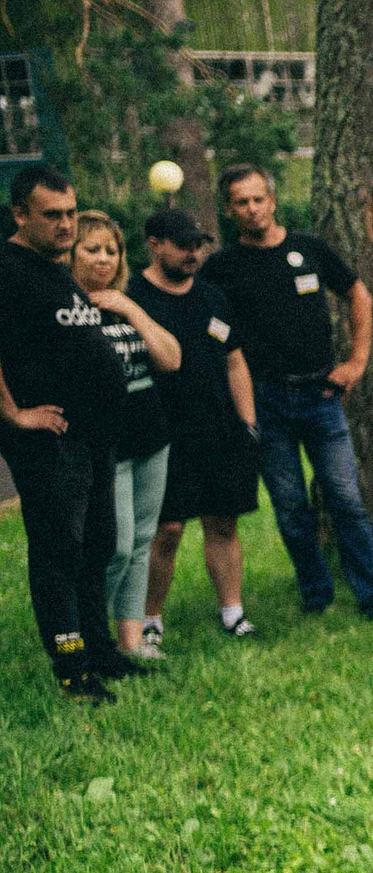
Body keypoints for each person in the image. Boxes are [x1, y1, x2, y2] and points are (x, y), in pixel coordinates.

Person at [201, 163, 373, 619]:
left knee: (346, 500)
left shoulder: (308, 248)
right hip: (266, 402)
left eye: (258, 199)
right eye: (241, 202)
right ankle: (316, 593)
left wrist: (357, 361)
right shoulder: (222, 266)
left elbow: (358, 295)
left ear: (272, 199)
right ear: (229, 210)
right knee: (290, 507)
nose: (251, 209)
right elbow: (202, 319)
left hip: (322, 396)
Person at [0, 165, 129, 700]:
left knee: (99, 543)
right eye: (52, 215)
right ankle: (72, 669)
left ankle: (101, 651)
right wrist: (13, 413)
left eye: (71, 212)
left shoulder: (54, 269)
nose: (66, 224)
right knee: (59, 548)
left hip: (91, 431)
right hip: (48, 438)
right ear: (20, 214)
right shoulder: (7, 268)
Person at [136, 207, 261, 645]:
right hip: (163, 432)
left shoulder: (212, 296)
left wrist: (248, 423)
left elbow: (235, 360)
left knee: (223, 522)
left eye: (197, 245)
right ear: (154, 244)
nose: (193, 253)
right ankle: (148, 617)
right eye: (182, 245)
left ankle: (233, 611)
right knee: (166, 529)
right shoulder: (132, 295)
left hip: (220, 431)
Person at [69, 212, 182, 666]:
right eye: (91, 249)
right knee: (113, 545)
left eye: (110, 250)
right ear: (70, 254)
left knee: (141, 540)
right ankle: (84, 632)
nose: (102, 258)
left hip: (151, 435)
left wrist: (129, 307)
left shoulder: (127, 303)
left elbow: (171, 359)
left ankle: (130, 641)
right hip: (104, 441)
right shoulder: (68, 310)